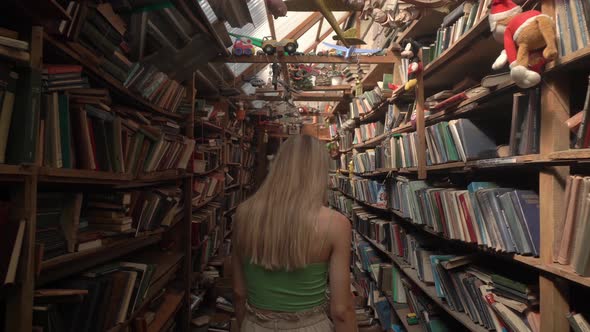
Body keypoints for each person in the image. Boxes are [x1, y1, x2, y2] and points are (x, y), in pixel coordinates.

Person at [232, 135, 357, 331]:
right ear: (319, 172)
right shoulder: (336, 224)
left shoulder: (243, 213)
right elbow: (341, 310)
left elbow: (239, 292)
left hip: (254, 324)